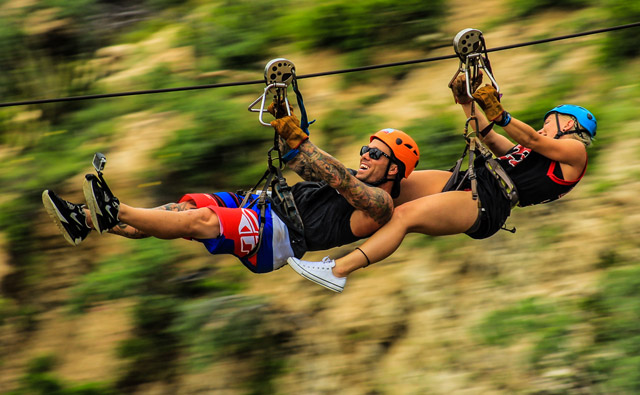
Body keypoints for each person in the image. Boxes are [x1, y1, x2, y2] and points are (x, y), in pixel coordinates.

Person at [287, 74, 597, 292]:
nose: (543, 127)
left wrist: (500, 113)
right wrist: (466, 102)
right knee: (383, 184)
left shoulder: (575, 152)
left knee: (403, 216)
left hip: (489, 200)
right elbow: (489, 136)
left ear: (567, 124)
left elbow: (527, 135)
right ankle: (306, 216)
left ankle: (338, 271)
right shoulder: (532, 153)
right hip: (471, 179)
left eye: (549, 121)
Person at [42, 102, 420, 275]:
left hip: (280, 236)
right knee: (178, 211)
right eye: (365, 149)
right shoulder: (348, 178)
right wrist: (283, 117)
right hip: (266, 204)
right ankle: (85, 220)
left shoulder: (380, 205)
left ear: (395, 168)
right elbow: (307, 164)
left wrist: (298, 137)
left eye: (376, 153)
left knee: (202, 220)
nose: (365, 155)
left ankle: (114, 209)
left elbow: (339, 177)